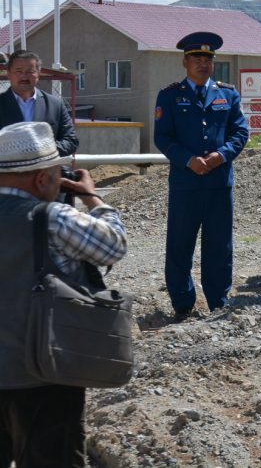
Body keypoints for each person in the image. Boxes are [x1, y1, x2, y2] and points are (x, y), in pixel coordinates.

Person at [0, 122, 128, 468]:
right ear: (42, 179)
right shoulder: (53, 218)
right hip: (45, 374)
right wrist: (93, 199)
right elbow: (113, 246)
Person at [154, 32, 249, 320]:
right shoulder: (170, 95)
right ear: (185, 62)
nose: (203, 64)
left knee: (219, 244)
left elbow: (241, 132)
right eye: (197, 58)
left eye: (208, 59)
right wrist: (188, 160)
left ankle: (218, 301)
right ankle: (182, 303)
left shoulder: (227, 94)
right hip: (186, 183)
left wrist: (221, 155)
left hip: (219, 183)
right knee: (180, 244)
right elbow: (163, 137)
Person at [0, 49, 79, 157]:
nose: (24, 76)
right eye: (19, 71)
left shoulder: (55, 105)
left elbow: (71, 141)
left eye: (30, 71)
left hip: (46, 171)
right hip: (8, 172)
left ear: (38, 73)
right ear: (9, 74)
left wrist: (42, 149)